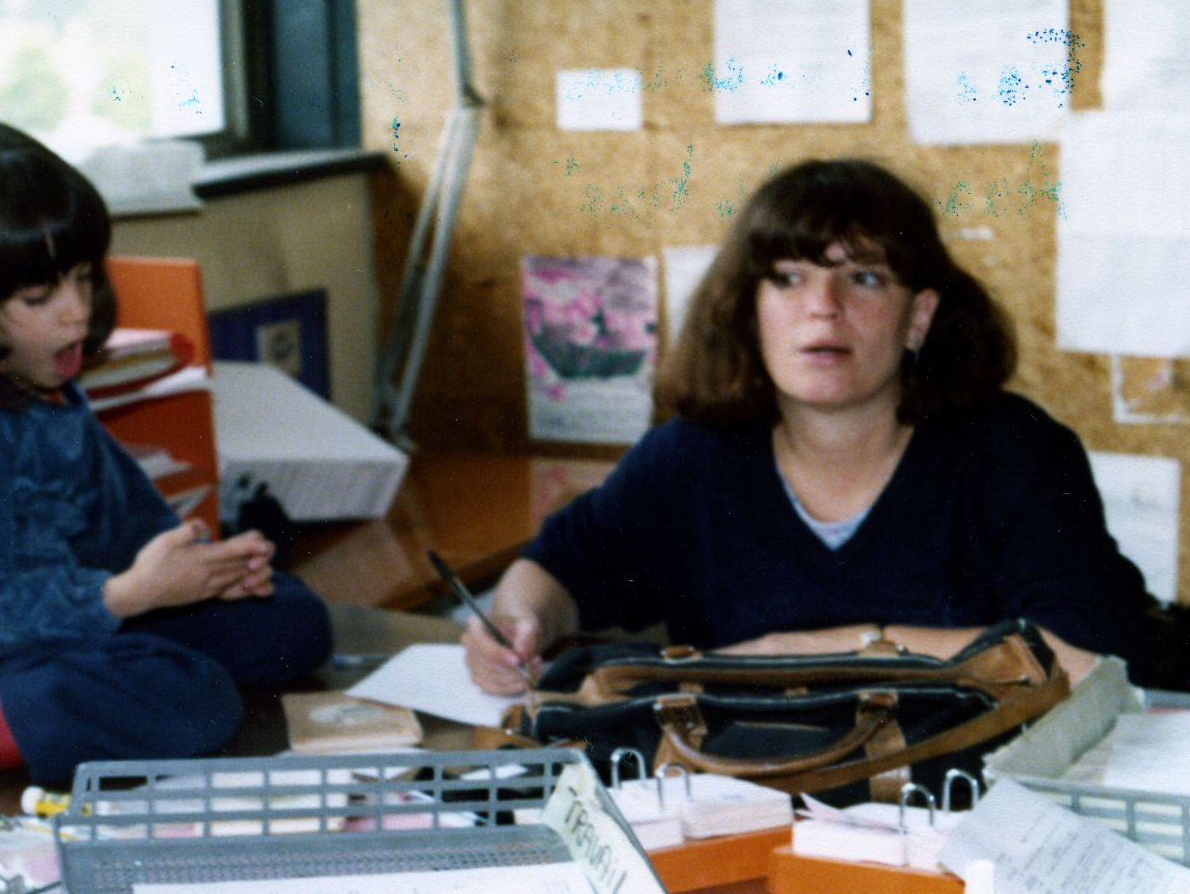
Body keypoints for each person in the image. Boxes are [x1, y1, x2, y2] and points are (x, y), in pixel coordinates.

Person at [465, 157, 1151, 695]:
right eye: (788, 278)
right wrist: (516, 622)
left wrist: (813, 649)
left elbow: (1083, 657)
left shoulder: (1014, 453)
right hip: (744, 804)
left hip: (961, 807)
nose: (822, 308)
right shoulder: (694, 460)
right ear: (750, 309)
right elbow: (559, 566)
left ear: (919, 316)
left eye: (864, 279)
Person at [0, 119, 333, 784]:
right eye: (40, 296)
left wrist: (201, 567)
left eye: (82, 278)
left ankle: (83, 689)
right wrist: (127, 595)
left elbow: (124, 519)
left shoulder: (41, 377)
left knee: (292, 620)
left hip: (68, 614)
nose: (76, 311)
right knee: (196, 699)